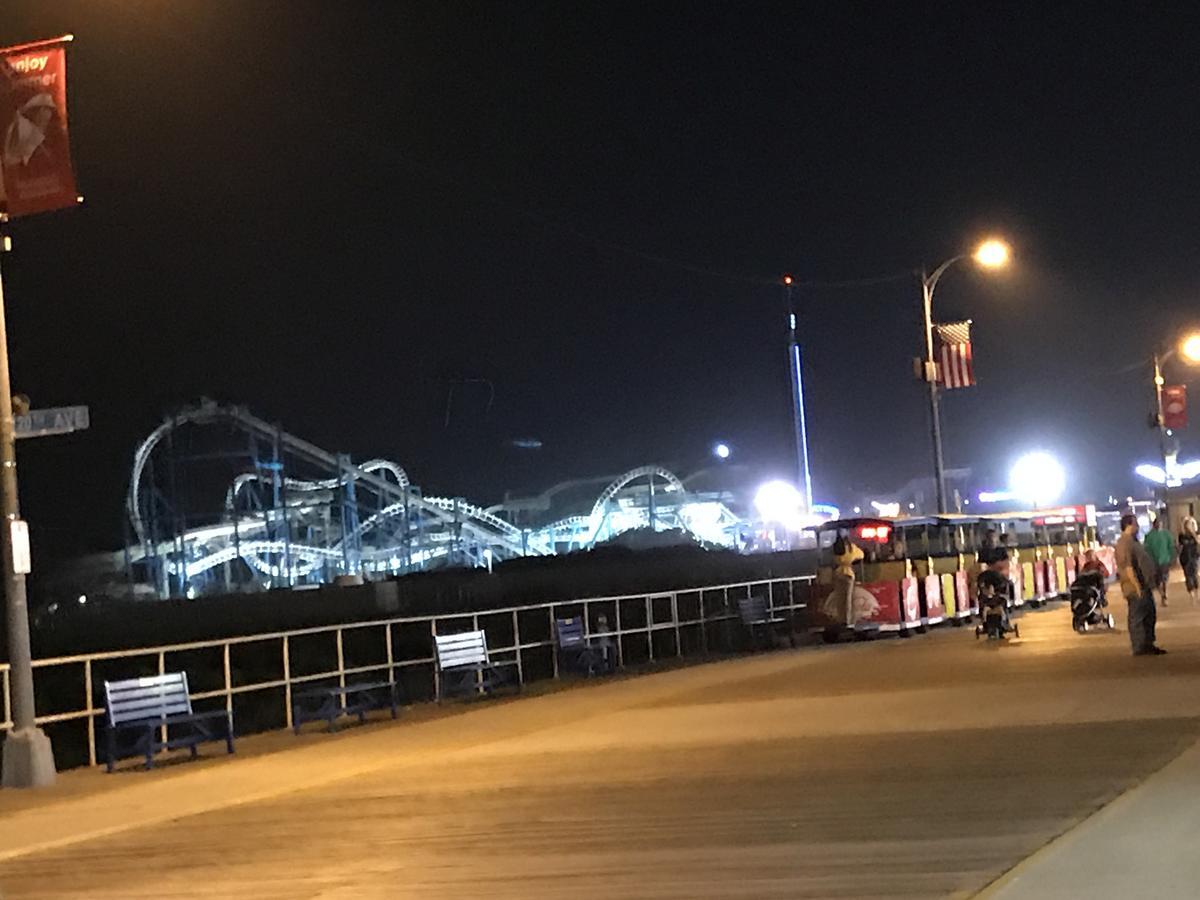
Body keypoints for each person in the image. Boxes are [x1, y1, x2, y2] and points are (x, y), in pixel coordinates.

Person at [1115, 513, 1166, 655]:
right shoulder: (1124, 543)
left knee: (1149, 614)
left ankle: (1148, 643)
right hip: (1134, 586)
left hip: (1143, 585)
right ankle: (1139, 646)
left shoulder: (1133, 541)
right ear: (1129, 525)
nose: (1137, 527)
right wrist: (1137, 587)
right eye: (1135, 524)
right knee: (1137, 616)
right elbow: (1128, 567)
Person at [1144, 513, 1176, 606]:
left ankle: (1164, 595)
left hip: (1164, 560)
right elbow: (1146, 549)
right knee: (1157, 581)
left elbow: (1171, 547)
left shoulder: (1167, 534)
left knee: (1164, 579)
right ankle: (1162, 594)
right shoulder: (1149, 536)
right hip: (1154, 562)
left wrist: (1171, 557)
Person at [1179, 517, 1199, 604]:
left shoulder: (1196, 535)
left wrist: (1193, 534)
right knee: (1188, 576)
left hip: (1194, 557)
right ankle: (1192, 595)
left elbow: (1198, 542)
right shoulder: (1182, 536)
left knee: (1194, 575)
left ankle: (1197, 594)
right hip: (1185, 558)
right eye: (1187, 525)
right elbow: (1181, 545)